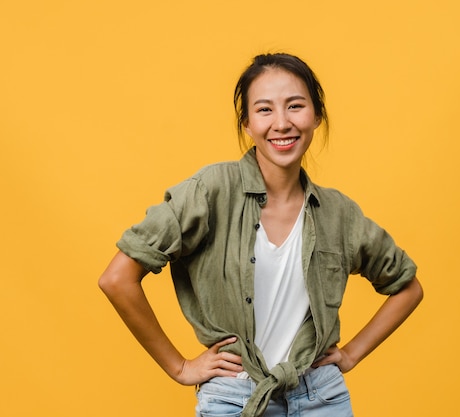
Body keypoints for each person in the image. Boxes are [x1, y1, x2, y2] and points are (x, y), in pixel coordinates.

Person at [98, 53, 424, 417]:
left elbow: (407, 287)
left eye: (295, 106)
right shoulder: (210, 191)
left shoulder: (339, 214)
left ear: (316, 116)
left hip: (321, 399)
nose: (282, 123)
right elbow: (117, 279)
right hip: (233, 398)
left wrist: (351, 353)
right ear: (247, 124)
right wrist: (180, 367)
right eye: (265, 110)